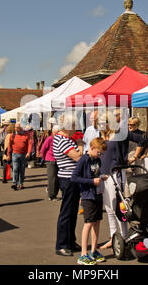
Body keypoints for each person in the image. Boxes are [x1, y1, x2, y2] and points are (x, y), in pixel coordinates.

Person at [98, 111, 145, 250]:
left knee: (118, 207)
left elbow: (142, 140)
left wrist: (133, 156)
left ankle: (124, 236)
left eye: (102, 122)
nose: (100, 125)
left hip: (116, 174)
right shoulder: (102, 135)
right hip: (103, 175)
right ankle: (113, 237)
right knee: (108, 208)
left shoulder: (119, 132)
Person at [72, 137, 109, 265]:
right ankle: (83, 254)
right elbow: (74, 177)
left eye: (102, 154)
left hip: (98, 194)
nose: (100, 155)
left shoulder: (97, 160)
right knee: (88, 223)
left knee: (97, 222)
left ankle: (94, 250)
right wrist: (91, 182)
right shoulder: (84, 160)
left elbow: (95, 174)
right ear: (92, 148)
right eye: (99, 152)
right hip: (88, 196)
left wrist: (101, 177)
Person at [54, 113, 83, 256]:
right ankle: (61, 244)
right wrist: (80, 144)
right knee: (67, 212)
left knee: (72, 212)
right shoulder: (62, 140)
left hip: (72, 178)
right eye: (73, 125)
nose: (75, 128)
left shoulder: (65, 138)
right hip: (68, 179)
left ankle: (70, 241)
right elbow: (78, 157)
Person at [6, 122, 32, 190]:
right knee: (15, 169)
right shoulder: (13, 135)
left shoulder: (26, 134)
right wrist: (8, 155)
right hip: (15, 154)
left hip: (24, 155)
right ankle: (14, 183)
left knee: (22, 169)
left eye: (17, 127)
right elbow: (9, 145)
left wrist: (28, 152)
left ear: (21, 128)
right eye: (15, 127)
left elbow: (29, 144)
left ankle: (21, 183)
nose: (15, 129)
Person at [40, 125, 60, 200]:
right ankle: (51, 195)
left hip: (58, 160)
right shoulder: (49, 139)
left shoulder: (60, 139)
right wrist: (44, 158)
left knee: (58, 178)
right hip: (50, 160)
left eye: (57, 132)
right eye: (54, 132)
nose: (55, 134)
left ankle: (53, 192)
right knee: (52, 178)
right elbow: (43, 149)